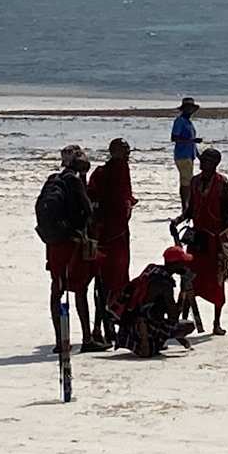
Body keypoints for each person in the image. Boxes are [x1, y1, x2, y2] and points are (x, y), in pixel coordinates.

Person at [43, 145, 106, 353]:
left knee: (57, 290)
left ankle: (61, 341)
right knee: (80, 290)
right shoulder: (75, 181)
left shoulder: (54, 180)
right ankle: (87, 338)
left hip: (53, 244)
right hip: (73, 244)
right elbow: (87, 209)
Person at [170, 148, 228, 335]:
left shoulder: (223, 184)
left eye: (206, 160)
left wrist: (226, 234)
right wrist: (178, 220)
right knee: (188, 279)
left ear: (214, 163)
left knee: (217, 281)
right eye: (202, 159)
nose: (202, 162)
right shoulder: (195, 181)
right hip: (196, 240)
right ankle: (183, 319)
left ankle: (216, 323)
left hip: (215, 242)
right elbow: (190, 210)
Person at [87, 137, 138, 344]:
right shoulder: (103, 173)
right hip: (105, 238)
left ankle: (114, 326)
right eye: (123, 151)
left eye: (128, 151)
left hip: (120, 237)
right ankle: (99, 328)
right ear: (113, 151)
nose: (127, 155)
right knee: (102, 284)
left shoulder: (122, 170)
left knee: (118, 283)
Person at [107, 247, 197, 357]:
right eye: (182, 263)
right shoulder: (165, 284)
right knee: (188, 325)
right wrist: (183, 294)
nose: (185, 266)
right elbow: (173, 316)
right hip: (144, 326)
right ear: (175, 264)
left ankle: (150, 342)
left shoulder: (152, 270)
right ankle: (150, 344)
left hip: (129, 323)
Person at [171, 97, 203, 210]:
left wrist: (199, 156)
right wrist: (192, 141)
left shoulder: (188, 122)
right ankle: (185, 206)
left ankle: (187, 205)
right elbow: (174, 138)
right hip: (182, 155)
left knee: (187, 181)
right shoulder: (180, 121)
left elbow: (192, 143)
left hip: (189, 155)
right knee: (186, 182)